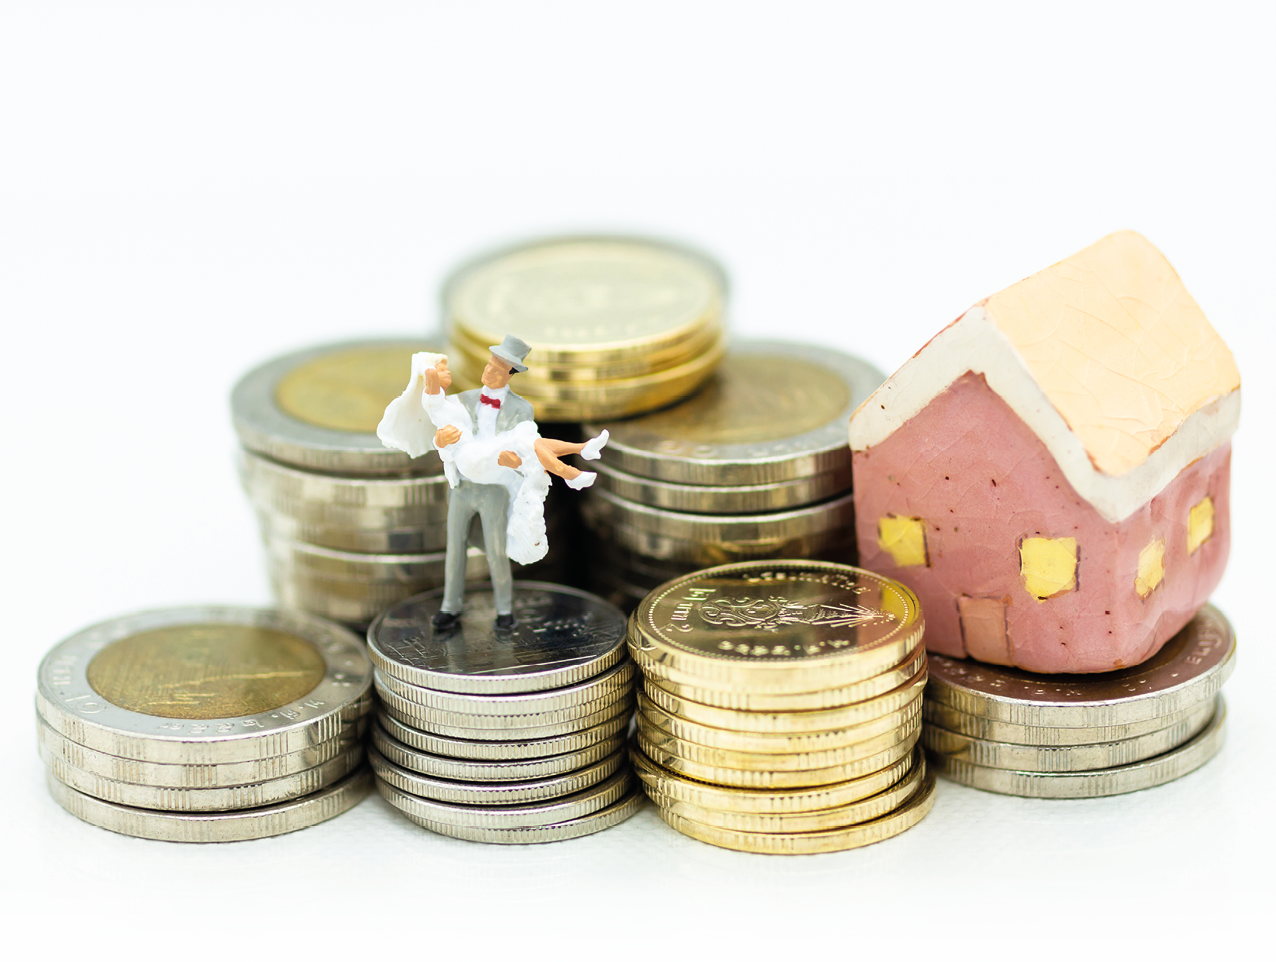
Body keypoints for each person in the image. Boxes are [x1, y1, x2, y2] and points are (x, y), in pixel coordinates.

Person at [381, 336, 607, 630]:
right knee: (455, 546)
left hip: (494, 489)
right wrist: (439, 440)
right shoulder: (464, 399)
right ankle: (450, 606)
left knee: (496, 549)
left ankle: (504, 609)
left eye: (498, 369)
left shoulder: (521, 409)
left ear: (510, 373)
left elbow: (522, 453)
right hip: (463, 485)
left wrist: (515, 464)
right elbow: (439, 424)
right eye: (490, 364)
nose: (490, 371)